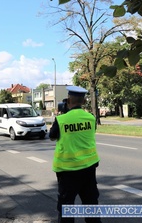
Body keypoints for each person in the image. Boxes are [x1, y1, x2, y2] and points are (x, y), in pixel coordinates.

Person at [49, 85, 102, 223]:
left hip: (68, 172)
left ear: (68, 101)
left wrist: (62, 115)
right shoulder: (91, 118)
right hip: (89, 169)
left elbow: (52, 136)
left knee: (66, 209)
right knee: (91, 206)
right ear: (84, 102)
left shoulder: (61, 120)